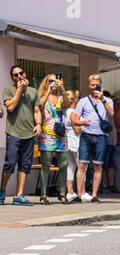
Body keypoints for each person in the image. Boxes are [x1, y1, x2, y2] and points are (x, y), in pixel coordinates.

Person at [0, 66, 42, 206]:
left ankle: (19, 196)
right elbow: (10, 107)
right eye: (15, 75)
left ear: (25, 74)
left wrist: (38, 124)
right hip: (13, 133)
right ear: (12, 78)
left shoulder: (33, 91)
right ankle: (2, 192)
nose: (19, 76)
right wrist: (19, 90)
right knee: (10, 164)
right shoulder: (8, 89)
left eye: (21, 73)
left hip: (29, 134)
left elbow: (36, 110)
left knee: (25, 165)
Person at [70, 74, 114, 203]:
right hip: (86, 135)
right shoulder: (83, 101)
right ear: (89, 86)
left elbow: (111, 114)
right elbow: (75, 118)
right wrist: (81, 123)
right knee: (82, 165)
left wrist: (103, 100)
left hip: (101, 137)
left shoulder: (107, 100)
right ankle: (79, 195)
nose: (95, 87)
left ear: (101, 85)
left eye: (97, 84)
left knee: (98, 166)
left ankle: (94, 195)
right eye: (92, 85)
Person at [37, 74, 71, 205]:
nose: (53, 83)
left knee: (63, 165)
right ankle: (43, 195)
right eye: (50, 81)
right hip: (47, 136)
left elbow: (67, 105)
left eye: (55, 81)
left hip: (61, 136)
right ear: (46, 83)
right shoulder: (42, 96)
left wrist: (62, 88)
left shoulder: (61, 97)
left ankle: (62, 193)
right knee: (46, 166)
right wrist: (49, 92)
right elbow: (39, 106)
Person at [64, 90, 90, 203]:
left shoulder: (65, 111)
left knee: (70, 166)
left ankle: (70, 192)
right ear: (74, 99)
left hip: (67, 142)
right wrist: (85, 124)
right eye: (77, 98)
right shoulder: (72, 112)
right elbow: (77, 129)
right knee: (82, 167)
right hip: (77, 142)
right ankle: (82, 192)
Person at [102, 91, 119, 194]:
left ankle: (110, 184)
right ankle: (103, 185)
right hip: (106, 140)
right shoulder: (104, 109)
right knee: (104, 164)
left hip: (113, 140)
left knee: (111, 165)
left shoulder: (111, 109)